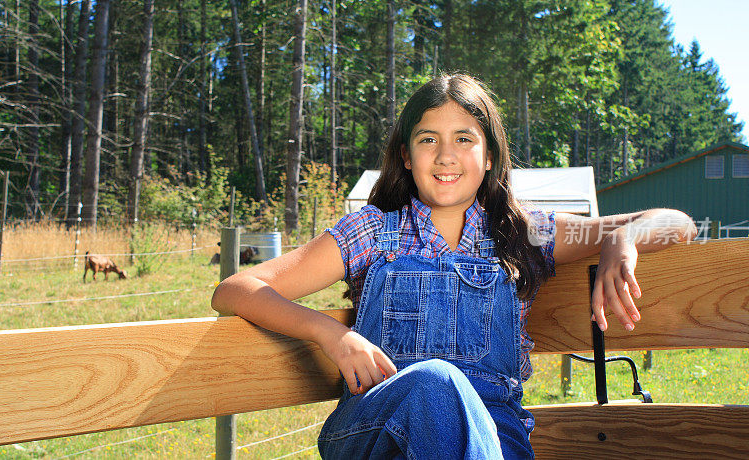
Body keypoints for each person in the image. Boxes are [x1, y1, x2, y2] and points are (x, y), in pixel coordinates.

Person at [211, 74, 696, 459]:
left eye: (464, 138)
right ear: (405, 154)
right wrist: (329, 332)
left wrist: (622, 238)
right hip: (375, 429)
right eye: (428, 139)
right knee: (436, 382)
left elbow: (677, 223)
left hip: (494, 438)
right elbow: (236, 288)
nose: (446, 156)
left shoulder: (521, 233)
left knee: (453, 399)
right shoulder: (373, 232)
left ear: (489, 157)